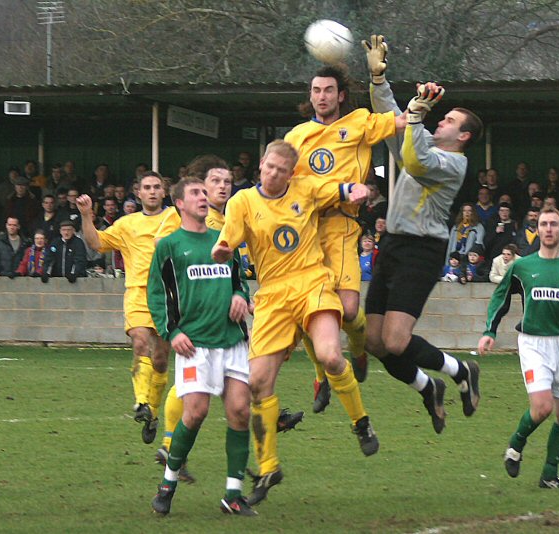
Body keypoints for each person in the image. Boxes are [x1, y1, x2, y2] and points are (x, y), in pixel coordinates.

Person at [211, 140, 378, 506]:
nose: (273, 174)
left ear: (291, 173)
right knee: (257, 383)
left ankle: (361, 422)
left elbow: (339, 189)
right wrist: (222, 251)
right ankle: (269, 467)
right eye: (269, 167)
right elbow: (227, 241)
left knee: (331, 356)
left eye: (281, 170)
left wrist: (359, 188)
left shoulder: (305, 188)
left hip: (312, 282)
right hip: (271, 295)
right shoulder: (241, 202)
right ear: (260, 165)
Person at [362, 35, 482, 434]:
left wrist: (415, 115)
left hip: (421, 251)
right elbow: (394, 120)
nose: (440, 120)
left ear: (463, 136)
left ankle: (460, 369)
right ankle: (429, 386)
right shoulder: (425, 138)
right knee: (374, 342)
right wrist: (379, 81)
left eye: (449, 121)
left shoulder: (452, 164)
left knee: (396, 342)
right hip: (393, 244)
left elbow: (413, 158)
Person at [283, 62, 401, 409]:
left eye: (328, 90)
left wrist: (417, 102)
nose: (322, 96)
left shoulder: (359, 122)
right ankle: (322, 376)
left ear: (341, 95)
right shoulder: (296, 137)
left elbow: (399, 121)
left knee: (349, 311)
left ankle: (360, 349)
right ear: (310, 95)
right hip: (307, 229)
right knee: (308, 310)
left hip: (343, 226)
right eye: (316, 90)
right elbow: (285, 181)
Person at [147, 177, 256, 517]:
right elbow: (156, 295)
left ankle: (233, 495)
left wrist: (240, 296)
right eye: (195, 193)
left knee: (240, 412)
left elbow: (240, 282)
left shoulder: (224, 241)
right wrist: (171, 331)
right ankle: (168, 483)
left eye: (203, 193)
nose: (203, 197)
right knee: (195, 413)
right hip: (194, 345)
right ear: (179, 203)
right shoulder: (169, 246)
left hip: (232, 340)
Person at [478, 207, 559, 489]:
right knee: (543, 407)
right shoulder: (523, 266)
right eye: (543, 224)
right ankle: (515, 445)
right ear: (538, 229)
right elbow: (500, 298)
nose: (548, 229)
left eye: (553, 224)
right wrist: (490, 331)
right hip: (533, 343)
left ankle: (549, 474)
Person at [77, 172, 181, 444]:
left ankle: (153, 413)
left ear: (164, 191)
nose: (152, 191)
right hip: (138, 292)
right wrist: (87, 215)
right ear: (138, 192)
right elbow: (96, 242)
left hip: (169, 295)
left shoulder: (176, 218)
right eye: (147, 187)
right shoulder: (126, 224)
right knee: (139, 342)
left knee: (160, 359)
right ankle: (141, 402)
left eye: (157, 187)